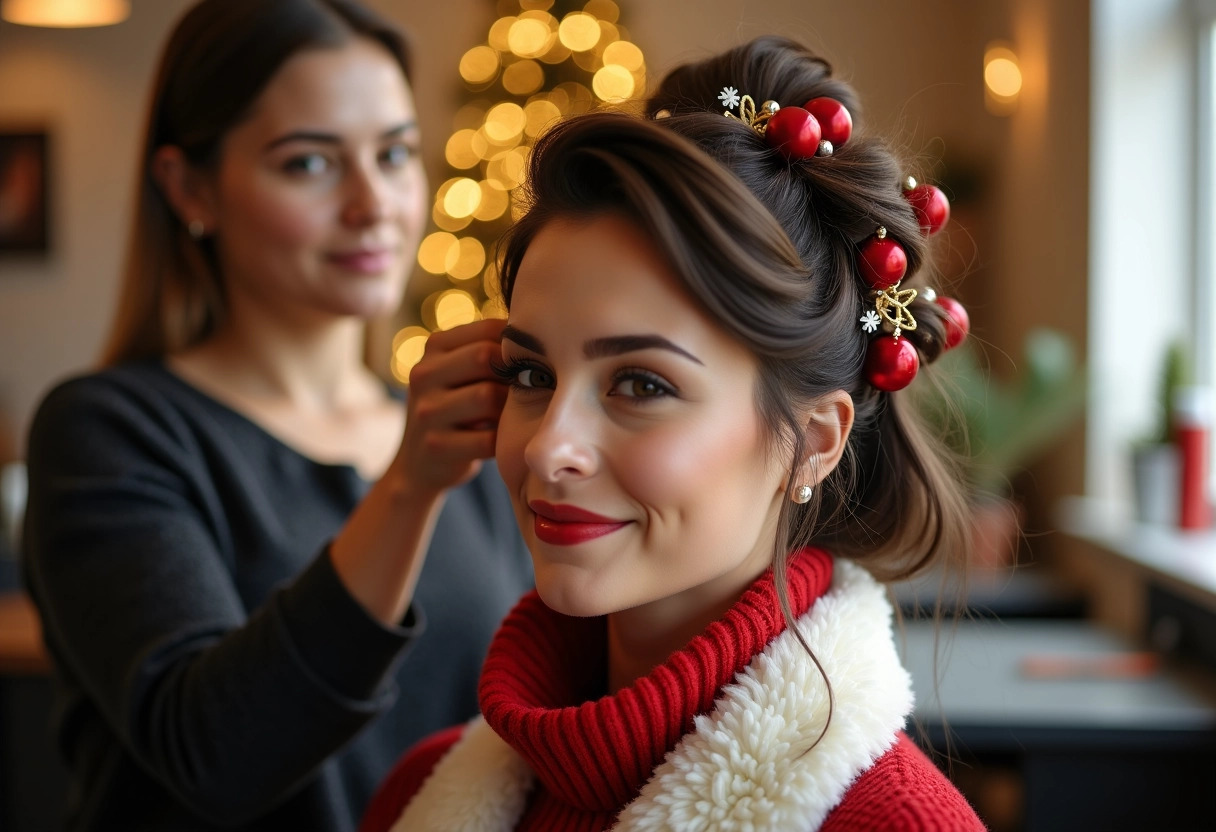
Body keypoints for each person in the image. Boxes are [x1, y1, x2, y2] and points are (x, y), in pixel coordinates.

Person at [361, 36, 985, 832]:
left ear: (815, 441)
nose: (550, 447)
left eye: (642, 385)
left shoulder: (895, 824)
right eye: (531, 375)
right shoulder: (416, 796)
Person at [21, 1, 532, 829]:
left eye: (395, 153)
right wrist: (407, 488)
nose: (374, 204)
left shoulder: (465, 439)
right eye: (309, 164)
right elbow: (218, 755)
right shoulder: (109, 431)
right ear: (189, 187)